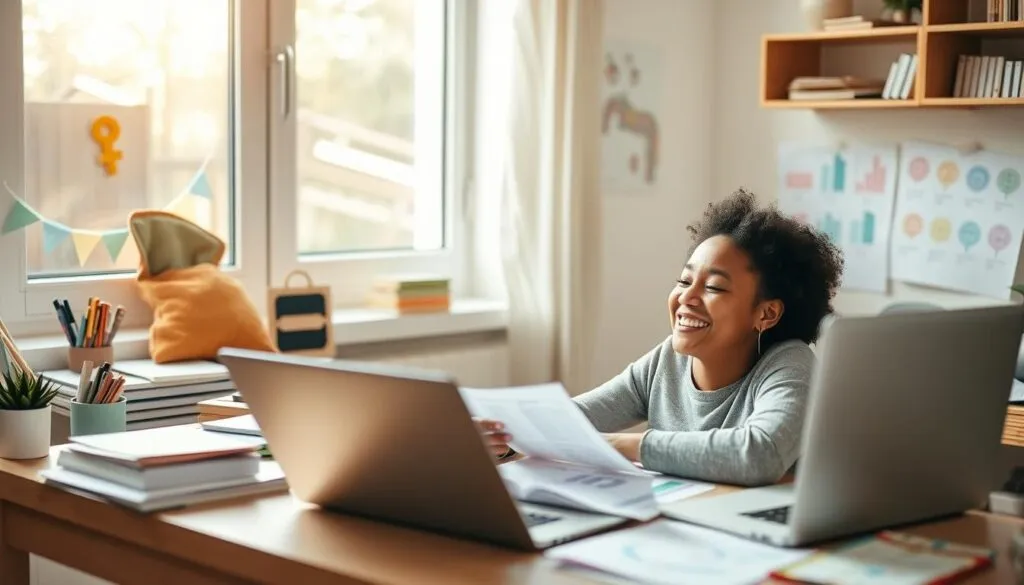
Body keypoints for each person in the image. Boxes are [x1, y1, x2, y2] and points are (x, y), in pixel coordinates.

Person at [477, 188, 844, 486]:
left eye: (714, 287)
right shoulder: (667, 361)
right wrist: (504, 437)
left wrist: (619, 446)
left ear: (766, 313)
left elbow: (759, 455)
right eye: (685, 281)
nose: (686, 297)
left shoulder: (789, 364)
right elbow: (571, 419)